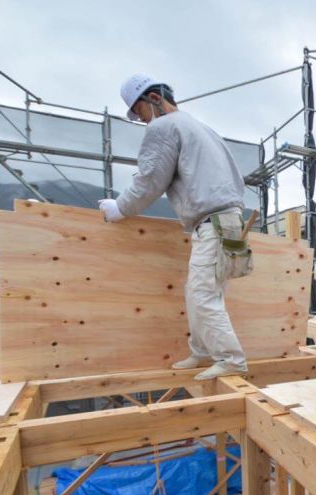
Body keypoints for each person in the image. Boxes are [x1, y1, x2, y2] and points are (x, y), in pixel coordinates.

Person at [97, 74, 248, 381]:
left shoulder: (164, 126)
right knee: (201, 291)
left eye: (139, 113)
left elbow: (151, 178)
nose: (142, 121)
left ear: (153, 99)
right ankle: (202, 351)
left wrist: (121, 207)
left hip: (214, 223)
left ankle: (231, 359)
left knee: (203, 293)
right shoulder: (201, 127)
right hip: (231, 223)